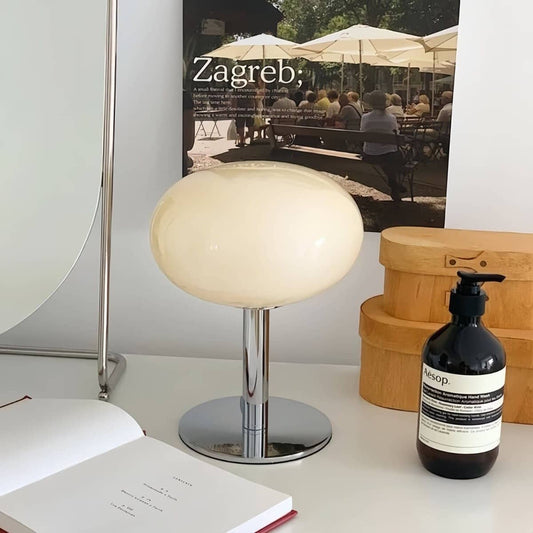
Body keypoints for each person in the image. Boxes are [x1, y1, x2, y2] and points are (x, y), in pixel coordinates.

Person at [361, 90, 405, 201]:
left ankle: (394, 184)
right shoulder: (391, 118)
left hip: (370, 154)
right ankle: (394, 184)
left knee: (386, 159)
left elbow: (362, 133)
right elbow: (396, 134)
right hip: (389, 156)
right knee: (392, 157)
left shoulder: (365, 117)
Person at [233, 81, 256, 147]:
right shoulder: (252, 86)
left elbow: (235, 98)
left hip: (240, 108)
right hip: (250, 107)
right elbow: (254, 97)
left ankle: (242, 141)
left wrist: (234, 109)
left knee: (240, 125)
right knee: (250, 125)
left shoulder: (237, 86)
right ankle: (252, 140)